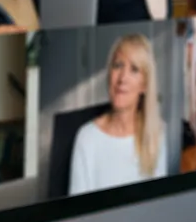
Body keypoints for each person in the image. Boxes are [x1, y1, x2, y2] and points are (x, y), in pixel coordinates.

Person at [69, 34, 168, 194]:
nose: (122, 78)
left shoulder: (157, 133)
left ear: (144, 85)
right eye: (117, 66)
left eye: (134, 69)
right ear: (109, 74)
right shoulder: (87, 138)